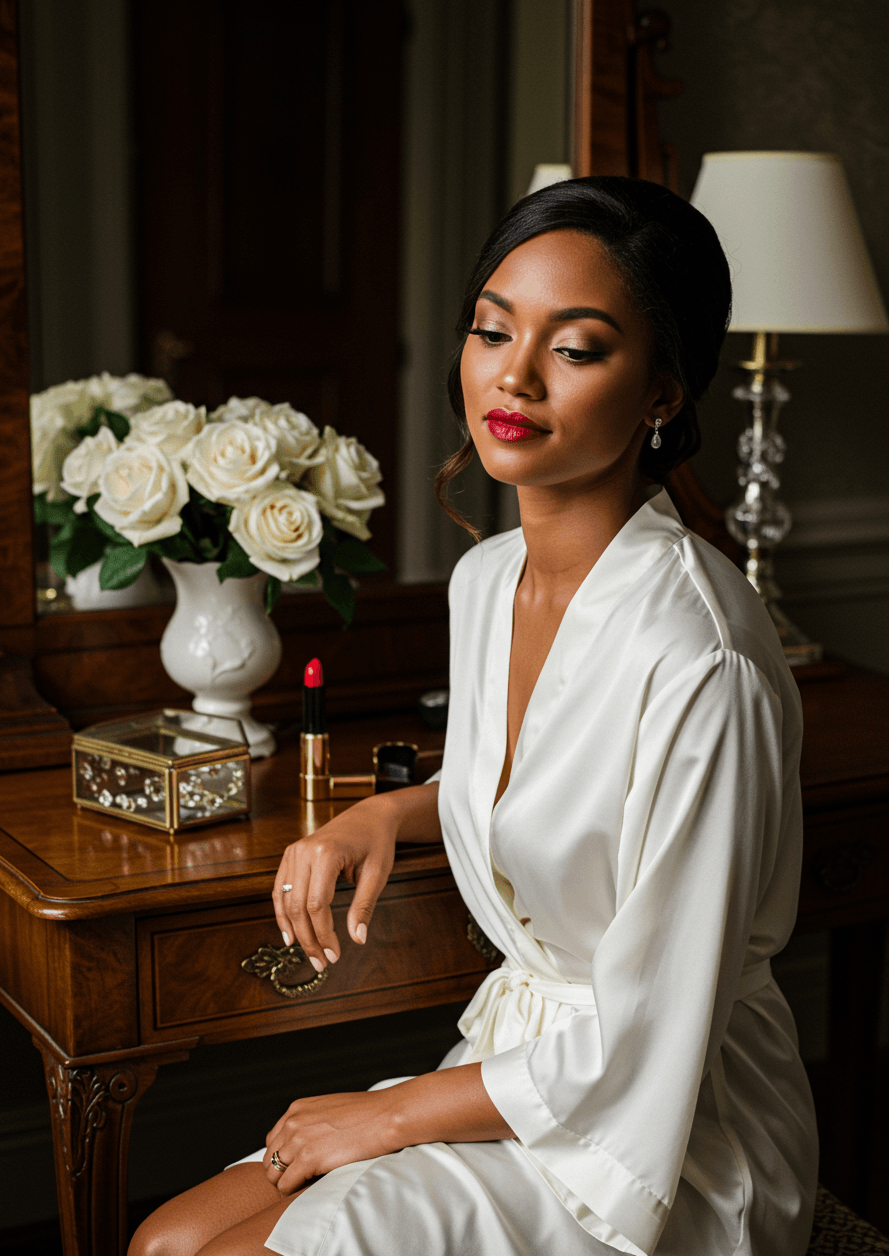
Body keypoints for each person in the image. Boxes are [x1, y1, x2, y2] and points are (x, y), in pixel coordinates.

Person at [130, 176, 818, 1256]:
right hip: (519, 1063)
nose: (513, 372)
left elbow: (649, 1022)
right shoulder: (487, 580)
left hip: (672, 1124)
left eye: (577, 347)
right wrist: (387, 812)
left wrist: (380, 1113)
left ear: (660, 394)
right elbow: (554, 777)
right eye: (492, 329)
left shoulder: (704, 658)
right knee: (167, 1238)